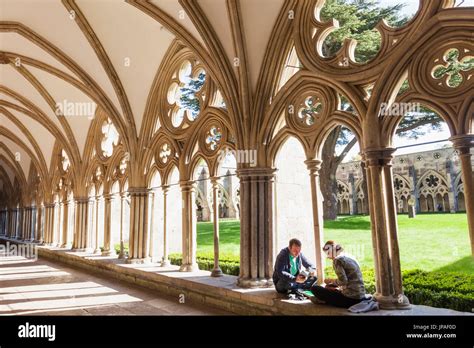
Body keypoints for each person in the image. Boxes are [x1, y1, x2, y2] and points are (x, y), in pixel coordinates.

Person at [310, 240, 366, 308]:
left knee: (315, 288)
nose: (328, 256)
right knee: (331, 289)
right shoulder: (349, 256)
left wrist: (331, 281)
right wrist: (336, 286)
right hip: (361, 297)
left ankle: (323, 300)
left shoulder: (337, 260)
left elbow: (343, 281)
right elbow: (348, 280)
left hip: (351, 299)